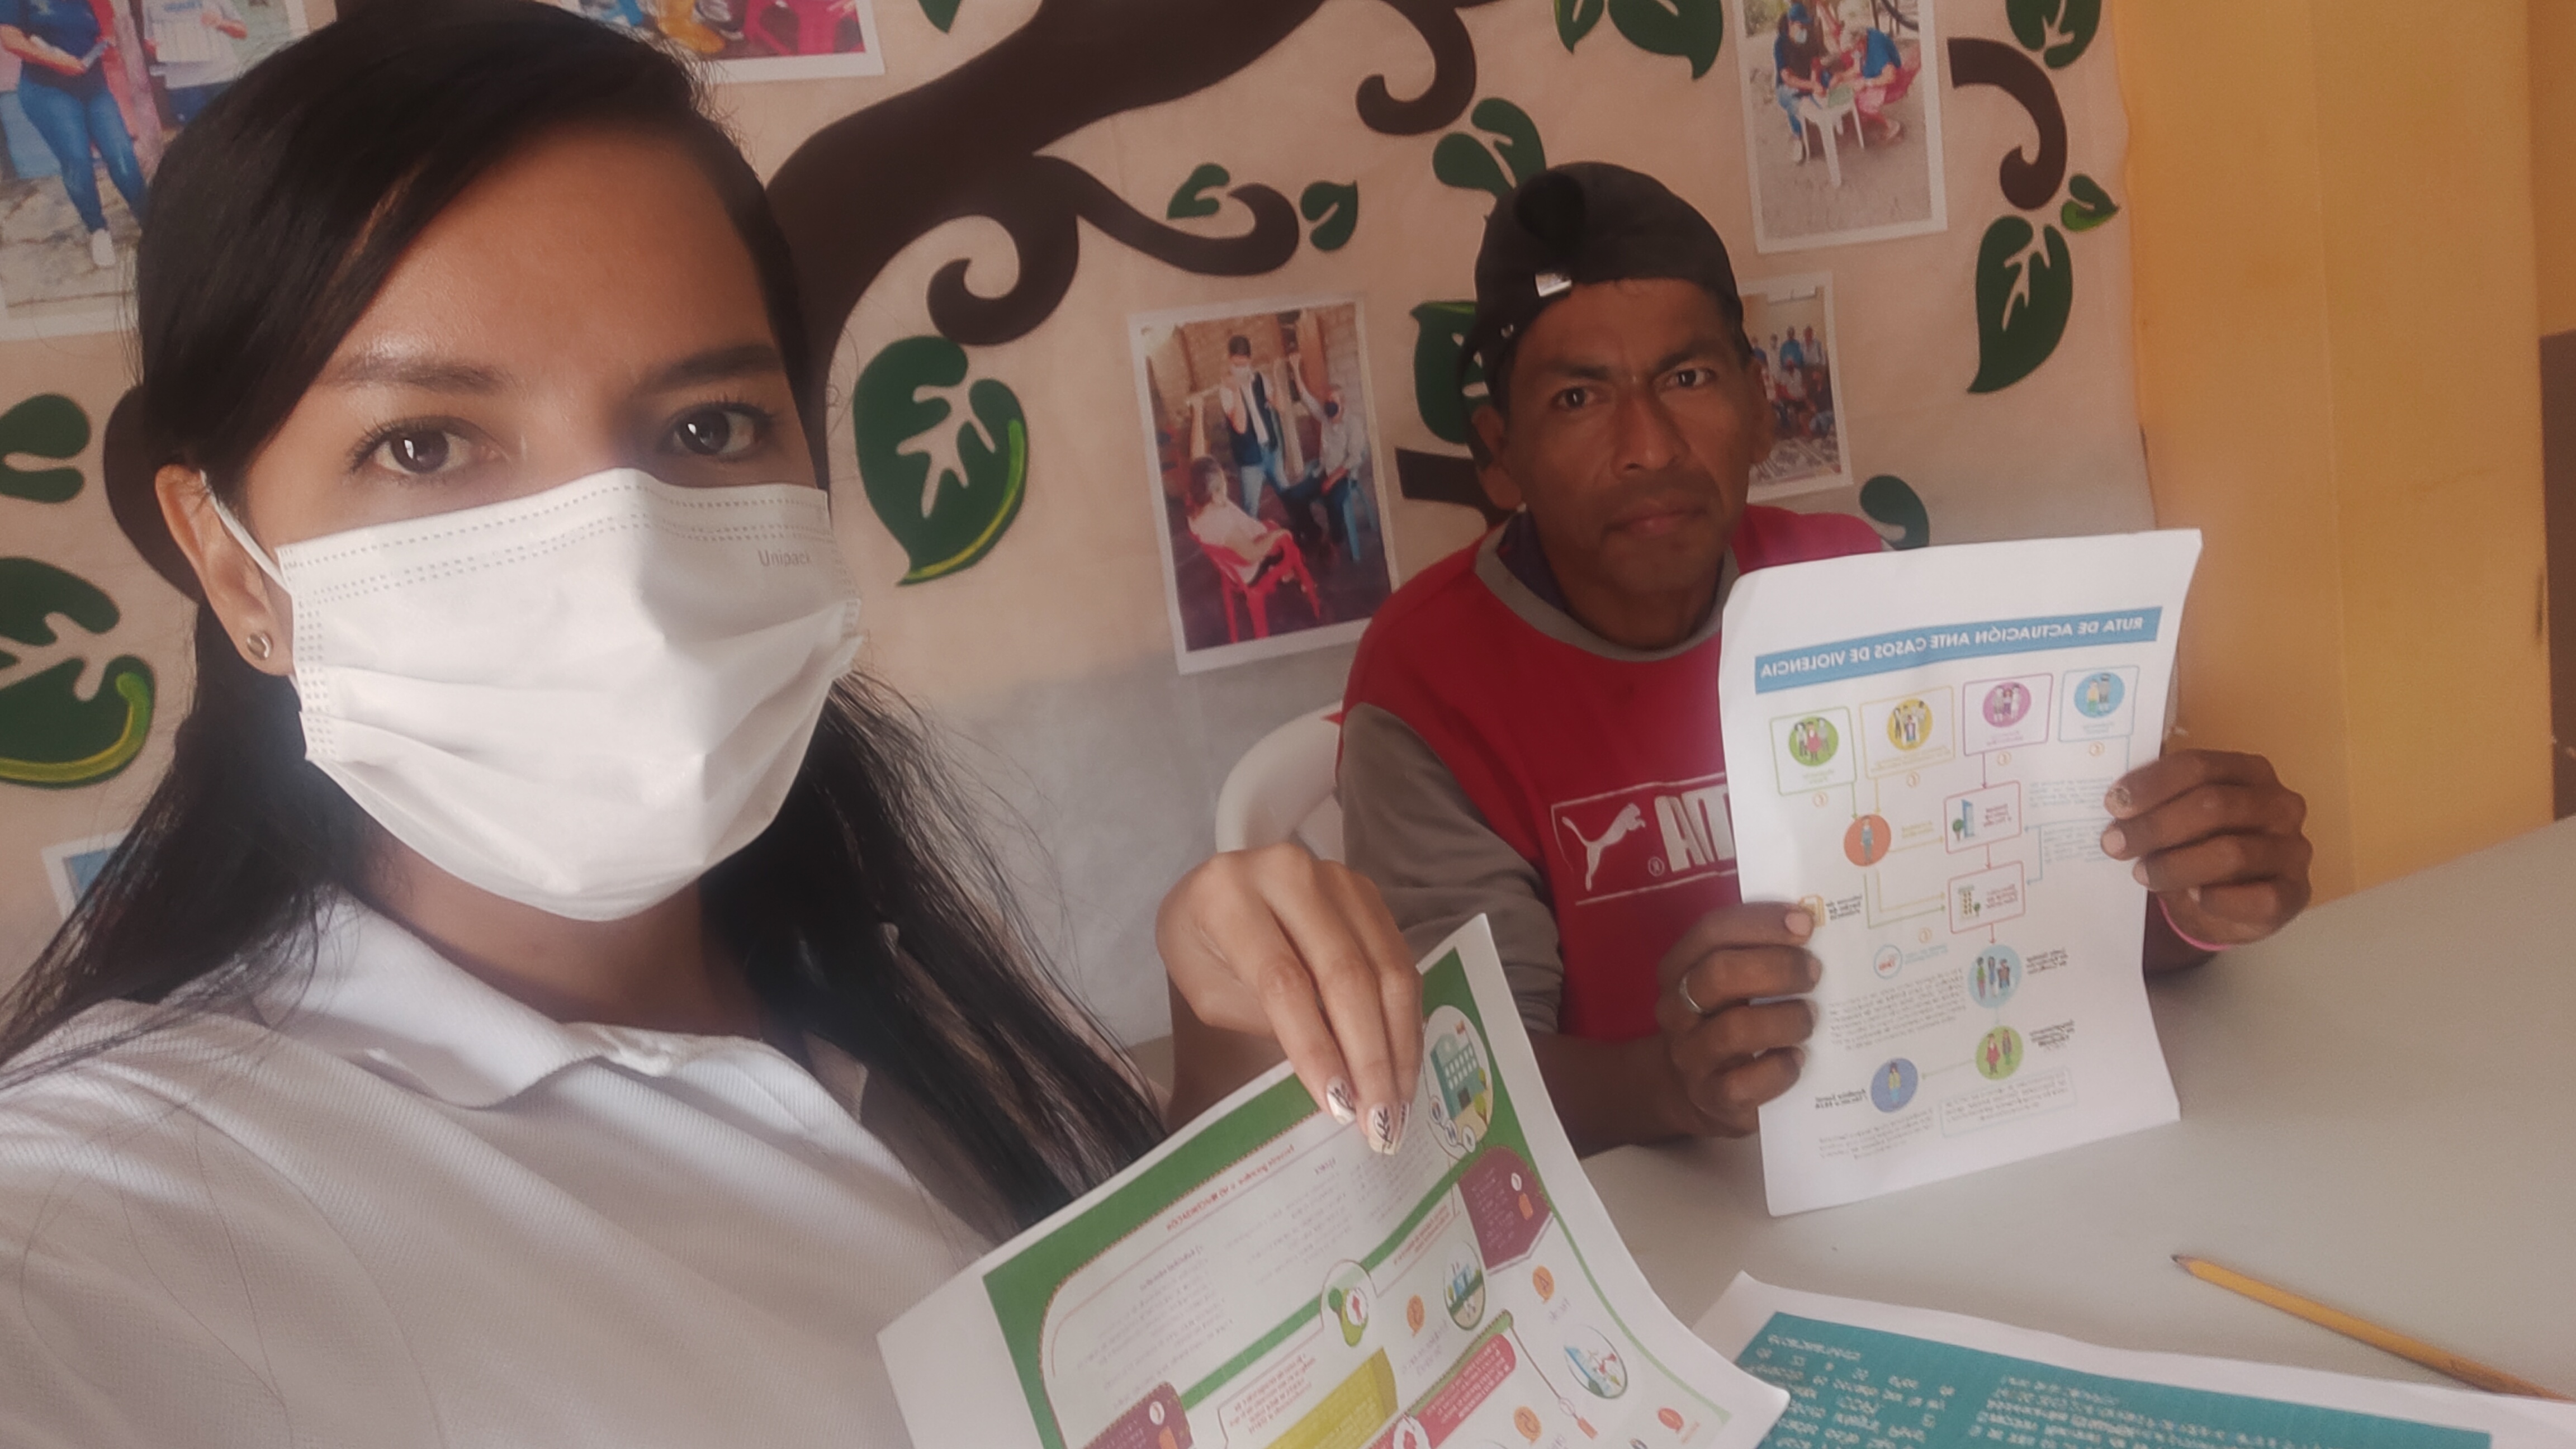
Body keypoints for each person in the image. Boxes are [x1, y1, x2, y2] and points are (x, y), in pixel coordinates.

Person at [0, 4, 1419, 1441]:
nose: (623, 575)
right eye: (424, 445)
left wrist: (1230, 1076)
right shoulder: (112, 1223)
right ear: (237, 566)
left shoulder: (887, 979)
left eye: (709, 427)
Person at [1337, 163, 2315, 1156]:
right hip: (1633, 1207)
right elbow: (1462, 1086)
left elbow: (2012, 923)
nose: (1648, 446)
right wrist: (1665, 1088)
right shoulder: (1429, 682)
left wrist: (2192, 901)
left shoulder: (1843, 585)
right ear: (1500, 454)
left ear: (1761, 408)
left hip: (1903, 1143)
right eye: (1579, 396)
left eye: (1687, 379)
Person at [0, 0, 149, 269]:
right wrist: (55, 61)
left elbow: (98, 27)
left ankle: (150, 220)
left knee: (122, 153)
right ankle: (97, 229)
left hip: (94, 86)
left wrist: (106, 45)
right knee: (77, 160)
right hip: (47, 90)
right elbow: (10, 39)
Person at [140, 0, 249, 125]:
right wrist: (153, 48)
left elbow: (242, 32)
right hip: (182, 85)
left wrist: (221, 23)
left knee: (233, 129)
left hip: (222, 77)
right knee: (196, 134)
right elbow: (149, 40)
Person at [1219, 332, 1291, 514]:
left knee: (1290, 497)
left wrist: (1274, 374)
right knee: (1250, 510)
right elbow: (1240, 426)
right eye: (1236, 365)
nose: (1240, 369)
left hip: (1271, 451)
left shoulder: (1260, 379)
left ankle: (1307, 528)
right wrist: (1236, 390)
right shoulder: (1225, 389)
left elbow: (1281, 407)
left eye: (1244, 365)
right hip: (1249, 459)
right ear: (1229, 360)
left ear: (1250, 360)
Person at [1772, 3, 1833, 164]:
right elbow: (1788, 79)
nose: (1804, 29)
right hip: (1791, 86)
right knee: (1793, 99)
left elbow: (1815, 64)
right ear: (1791, 24)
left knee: (1829, 80)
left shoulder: (1809, 38)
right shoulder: (1781, 44)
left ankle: (1828, 118)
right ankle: (1798, 137)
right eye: (1801, 25)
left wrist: (1815, 80)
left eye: (1806, 25)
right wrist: (1811, 86)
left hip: (1809, 80)